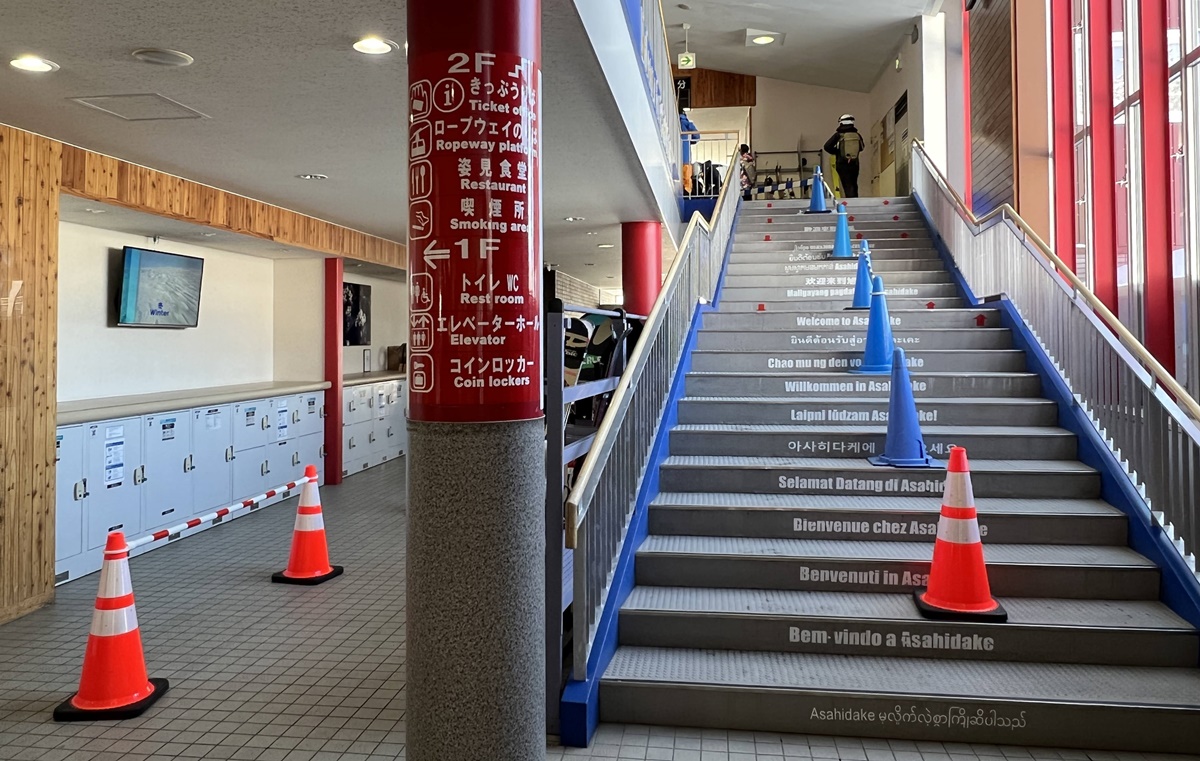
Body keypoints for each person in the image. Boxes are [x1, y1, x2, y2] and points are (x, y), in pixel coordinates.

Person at [823, 114, 864, 198]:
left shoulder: (838, 135)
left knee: (846, 183)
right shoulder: (857, 135)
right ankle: (855, 200)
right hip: (854, 163)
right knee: (854, 183)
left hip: (842, 163)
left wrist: (837, 152)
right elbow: (862, 147)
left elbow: (827, 146)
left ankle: (850, 202)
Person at [680, 109, 700, 194]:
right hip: (685, 156)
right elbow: (697, 136)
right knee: (687, 179)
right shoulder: (685, 122)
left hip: (673, 156)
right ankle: (687, 195)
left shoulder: (671, 121)